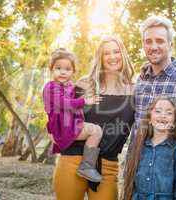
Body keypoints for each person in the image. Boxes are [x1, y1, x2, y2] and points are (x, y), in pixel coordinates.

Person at [52, 37, 135, 200]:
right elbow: (62, 113)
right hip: (73, 159)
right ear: (100, 58)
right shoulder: (85, 84)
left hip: (107, 165)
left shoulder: (134, 89)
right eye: (106, 53)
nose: (112, 57)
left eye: (116, 51)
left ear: (123, 54)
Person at [43, 48, 103, 183]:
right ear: (51, 69)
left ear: (73, 71)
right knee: (96, 131)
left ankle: (86, 165)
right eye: (58, 68)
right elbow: (63, 103)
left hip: (70, 124)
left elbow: (78, 92)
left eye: (67, 69)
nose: (63, 72)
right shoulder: (50, 87)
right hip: (63, 127)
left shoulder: (70, 86)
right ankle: (87, 167)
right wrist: (84, 101)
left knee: (95, 131)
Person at [123, 97, 176, 200]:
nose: (163, 115)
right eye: (158, 111)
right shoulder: (140, 147)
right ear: (149, 119)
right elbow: (133, 183)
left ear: (174, 122)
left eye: (169, 112)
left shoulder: (175, 149)